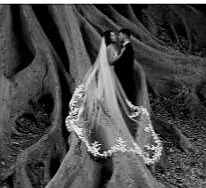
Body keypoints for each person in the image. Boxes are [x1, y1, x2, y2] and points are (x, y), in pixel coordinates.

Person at [65, 28, 161, 164]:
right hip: (109, 75)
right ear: (109, 39)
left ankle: (108, 112)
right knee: (107, 98)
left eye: (116, 35)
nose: (115, 36)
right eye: (112, 35)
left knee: (109, 97)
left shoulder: (114, 47)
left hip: (111, 76)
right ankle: (106, 116)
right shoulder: (110, 48)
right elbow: (110, 62)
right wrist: (119, 56)